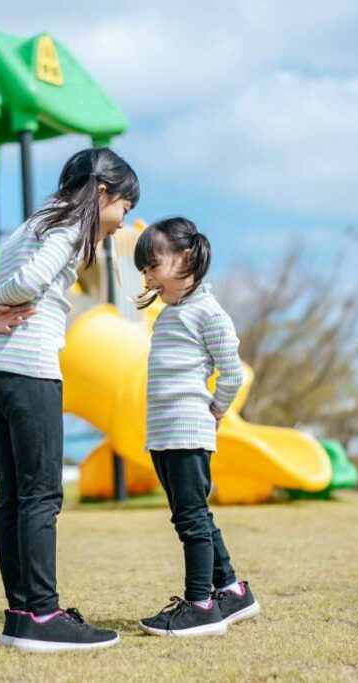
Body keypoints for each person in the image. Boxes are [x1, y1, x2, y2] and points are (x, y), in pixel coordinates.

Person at [0, 147, 139, 652]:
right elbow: (24, 284)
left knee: (13, 497)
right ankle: (42, 615)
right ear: (102, 193)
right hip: (30, 372)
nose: (120, 220)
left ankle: (21, 613)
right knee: (41, 496)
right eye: (122, 208)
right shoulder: (67, 231)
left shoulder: (27, 227)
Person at [132, 217, 260, 637]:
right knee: (192, 516)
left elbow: (232, 374)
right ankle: (232, 591)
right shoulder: (169, 313)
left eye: (153, 264)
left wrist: (217, 412)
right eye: (144, 268)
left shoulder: (208, 311)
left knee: (191, 519)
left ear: (185, 258)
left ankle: (200, 605)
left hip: (189, 431)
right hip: (164, 433)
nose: (148, 274)